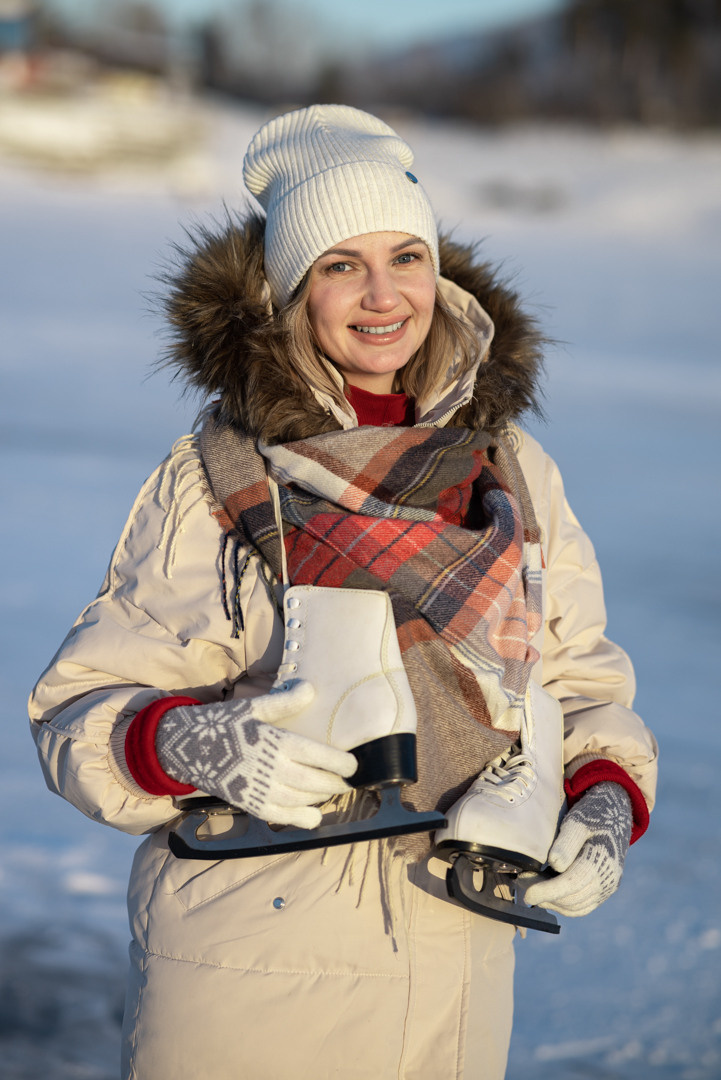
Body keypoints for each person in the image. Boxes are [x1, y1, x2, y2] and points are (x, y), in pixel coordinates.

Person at [29, 104, 658, 1080]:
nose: (382, 296)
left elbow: (577, 684)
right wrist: (197, 745)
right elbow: (78, 713)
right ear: (289, 290)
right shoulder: (218, 476)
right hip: (246, 969)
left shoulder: (509, 471)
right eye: (339, 265)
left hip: (451, 966)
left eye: (405, 256)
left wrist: (605, 800)